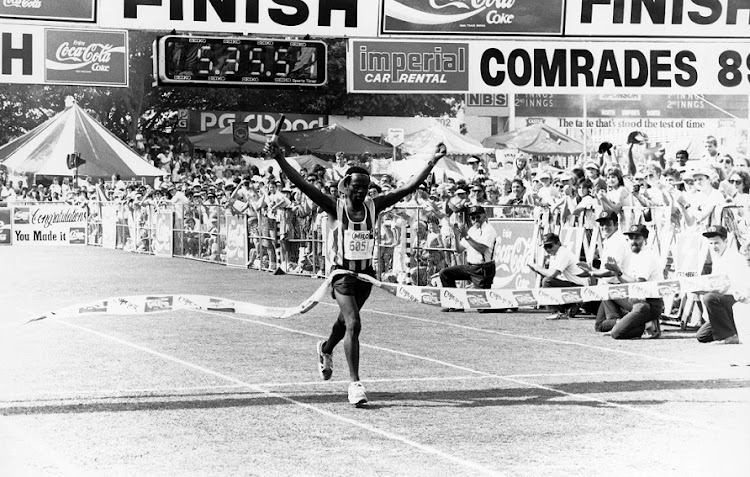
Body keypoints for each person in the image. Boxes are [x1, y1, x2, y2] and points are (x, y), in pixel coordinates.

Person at [265, 136, 447, 406]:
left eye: (366, 187)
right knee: (354, 324)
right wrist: (279, 158)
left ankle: (326, 349)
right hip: (341, 276)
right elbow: (300, 184)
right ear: (345, 187)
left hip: (366, 277)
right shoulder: (335, 207)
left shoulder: (375, 206)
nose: (362, 192)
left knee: (343, 324)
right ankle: (355, 384)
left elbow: (409, 187)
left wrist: (433, 161)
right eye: (357, 187)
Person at [598, 224, 664, 340]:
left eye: (637, 238)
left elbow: (637, 284)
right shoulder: (635, 256)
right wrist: (617, 272)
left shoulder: (647, 256)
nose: (633, 241)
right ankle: (624, 322)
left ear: (645, 240)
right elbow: (626, 281)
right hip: (636, 300)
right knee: (606, 290)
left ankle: (645, 325)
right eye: (631, 238)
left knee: (616, 334)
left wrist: (618, 271)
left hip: (648, 304)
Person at [439, 205, 498, 312]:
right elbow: (459, 250)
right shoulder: (472, 230)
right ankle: (455, 304)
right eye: (472, 218)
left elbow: (481, 249)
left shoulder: (489, 229)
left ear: (484, 216)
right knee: (445, 273)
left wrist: (466, 236)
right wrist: (457, 236)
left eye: (478, 217)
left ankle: (506, 305)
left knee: (482, 307)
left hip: (483, 269)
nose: (475, 220)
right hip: (470, 267)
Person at [696, 225, 748, 344]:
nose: (714, 247)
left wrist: (713, 290)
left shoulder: (734, 258)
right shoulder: (718, 258)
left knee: (709, 297)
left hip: (739, 300)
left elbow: (739, 287)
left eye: (717, 243)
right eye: (711, 243)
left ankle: (730, 336)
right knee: (702, 336)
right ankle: (733, 329)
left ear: (725, 241)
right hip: (725, 301)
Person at [528, 233, 587, 320]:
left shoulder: (563, 253)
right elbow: (552, 275)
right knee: (546, 282)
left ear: (558, 243)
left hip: (579, 286)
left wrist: (538, 268)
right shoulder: (555, 254)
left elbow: (552, 275)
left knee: (547, 282)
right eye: (545, 247)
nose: (547, 249)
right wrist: (538, 270)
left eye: (550, 246)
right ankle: (570, 307)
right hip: (573, 285)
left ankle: (556, 311)